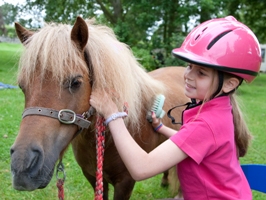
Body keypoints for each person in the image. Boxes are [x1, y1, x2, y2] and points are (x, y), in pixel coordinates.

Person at [89, 16, 261, 200]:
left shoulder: (205, 124)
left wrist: (112, 115)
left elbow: (141, 168)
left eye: (201, 73)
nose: (188, 75)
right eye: (189, 66)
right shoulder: (218, 110)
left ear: (229, 84)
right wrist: (161, 128)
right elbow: (190, 143)